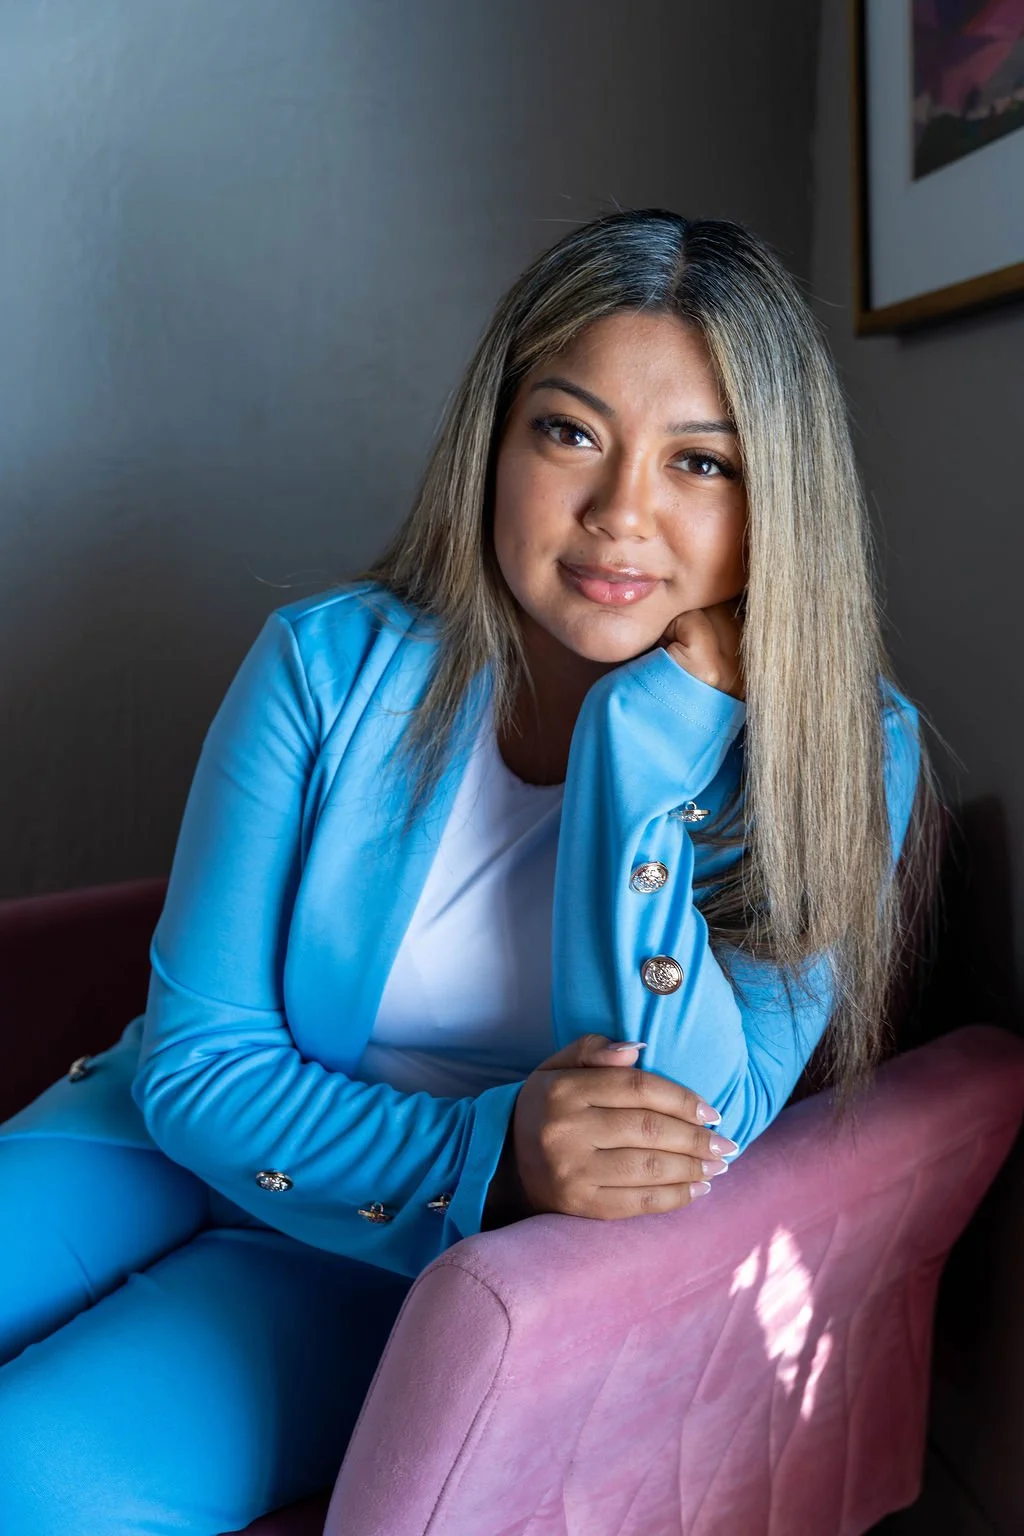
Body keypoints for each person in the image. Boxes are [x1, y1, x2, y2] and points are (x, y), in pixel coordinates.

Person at [0, 208, 938, 1534]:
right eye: (571, 433)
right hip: (156, 1139)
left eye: (701, 463)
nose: (621, 513)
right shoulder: (326, 664)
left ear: (777, 498)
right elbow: (199, 1068)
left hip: (411, 1268)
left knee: (28, 1475)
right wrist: (494, 1147)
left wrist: (643, 753)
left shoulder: (844, 753)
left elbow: (690, 1132)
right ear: (495, 445)